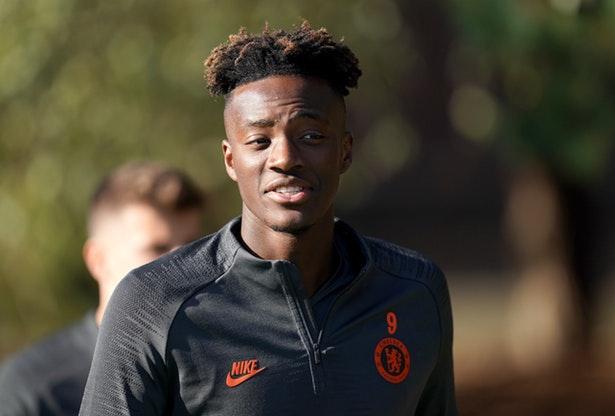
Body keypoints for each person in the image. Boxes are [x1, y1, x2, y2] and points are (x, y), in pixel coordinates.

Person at [80, 22, 457, 415]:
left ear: (345, 151)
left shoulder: (415, 290)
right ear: (231, 160)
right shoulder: (151, 303)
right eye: (260, 141)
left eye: (311, 136)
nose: (285, 159)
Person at [0, 162, 205, 416]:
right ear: (98, 260)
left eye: (193, 247)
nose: (183, 264)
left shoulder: (225, 365)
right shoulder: (30, 392)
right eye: (157, 249)